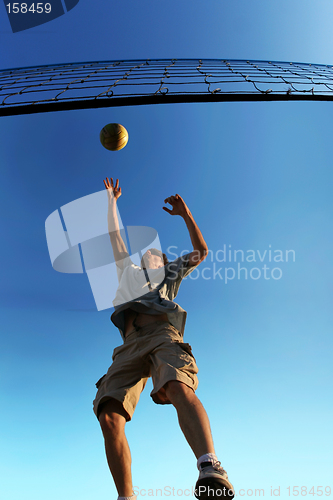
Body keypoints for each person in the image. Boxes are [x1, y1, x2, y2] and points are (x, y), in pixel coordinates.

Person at [93, 177, 234, 500]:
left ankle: (210, 466)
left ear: (166, 263)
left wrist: (186, 215)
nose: (150, 257)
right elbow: (115, 238)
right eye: (147, 255)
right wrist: (111, 201)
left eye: (157, 255)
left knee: (176, 385)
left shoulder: (170, 274)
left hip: (162, 335)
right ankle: (126, 496)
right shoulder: (128, 274)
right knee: (109, 415)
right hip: (129, 345)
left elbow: (201, 251)